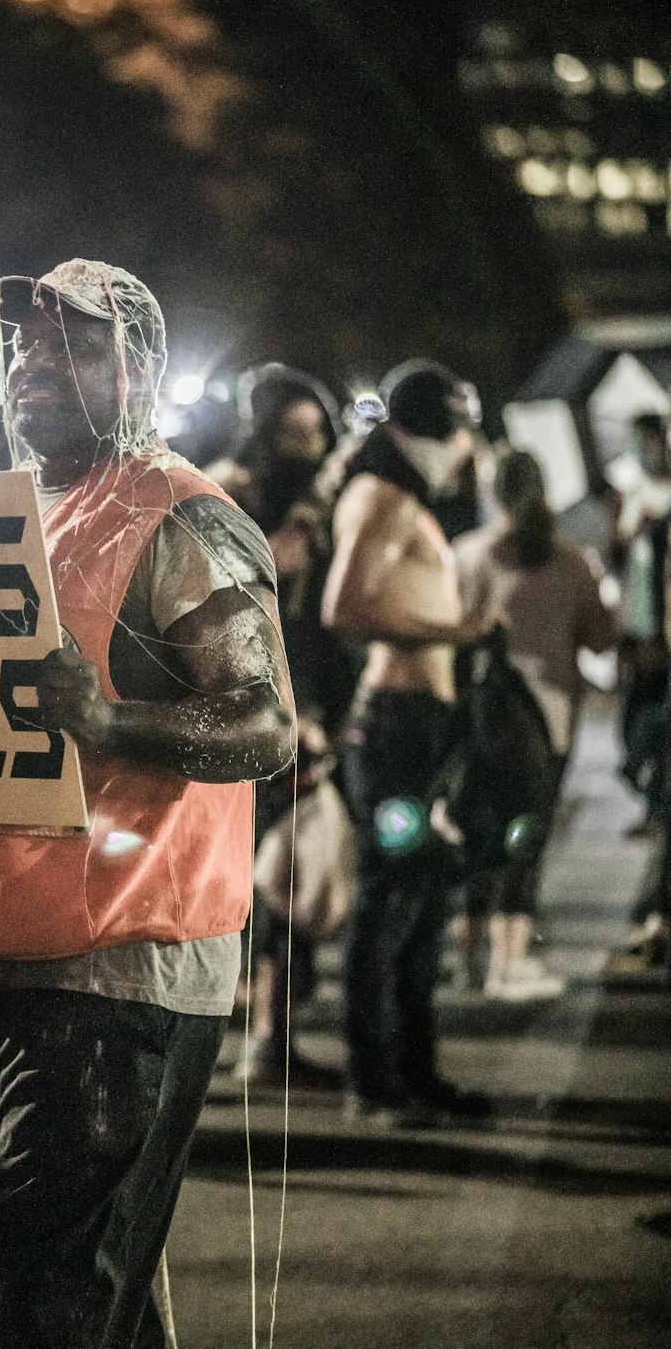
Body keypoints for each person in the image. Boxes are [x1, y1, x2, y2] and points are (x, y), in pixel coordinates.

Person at [0, 260, 296, 1349]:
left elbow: (265, 726)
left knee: (55, 1297)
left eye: (69, 344)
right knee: (72, 1289)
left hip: (118, 960)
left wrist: (108, 722)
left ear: (143, 370)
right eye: (22, 345)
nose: (32, 365)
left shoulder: (180, 517)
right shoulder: (8, 520)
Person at [321, 358, 493, 1128]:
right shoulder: (383, 497)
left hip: (419, 727)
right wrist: (456, 631)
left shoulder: (402, 496)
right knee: (390, 898)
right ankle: (374, 1076)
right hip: (394, 725)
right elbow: (345, 606)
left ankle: (415, 1071)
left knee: (420, 901)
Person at [206, 365, 360, 1086]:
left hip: (310, 701)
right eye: (294, 433)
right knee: (273, 877)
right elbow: (249, 582)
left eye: (318, 432)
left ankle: (274, 1032)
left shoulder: (315, 497)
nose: (311, 444)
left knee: (291, 871)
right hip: (258, 703)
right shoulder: (232, 486)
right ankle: (263, 1037)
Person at [453, 447, 617, 1000]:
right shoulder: (572, 561)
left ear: (492, 492)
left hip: (480, 718)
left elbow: (450, 634)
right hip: (550, 718)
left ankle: (470, 954)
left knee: (478, 833)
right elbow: (600, 639)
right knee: (526, 835)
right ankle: (511, 960)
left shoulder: (467, 556)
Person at [609, 412, 671, 837]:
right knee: (635, 724)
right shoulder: (628, 493)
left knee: (656, 724)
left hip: (662, 631)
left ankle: (658, 810)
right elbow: (619, 562)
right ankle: (652, 801)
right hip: (637, 624)